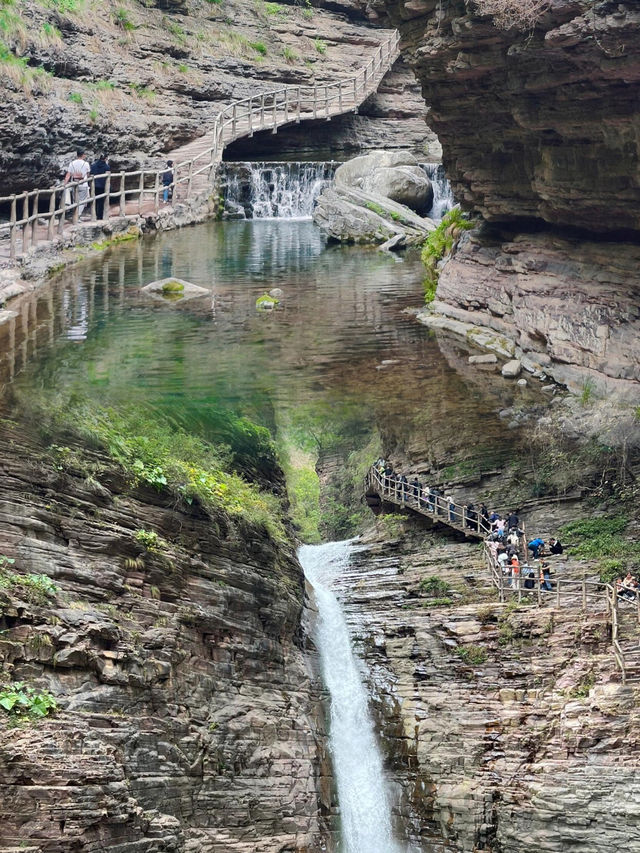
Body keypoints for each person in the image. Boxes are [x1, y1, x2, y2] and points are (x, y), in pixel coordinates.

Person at [64, 148, 91, 216]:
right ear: (83, 155)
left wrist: (65, 183)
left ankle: (75, 214)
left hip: (74, 184)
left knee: (75, 200)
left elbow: (68, 175)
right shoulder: (86, 164)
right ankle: (77, 216)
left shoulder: (71, 163)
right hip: (83, 184)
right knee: (82, 201)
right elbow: (88, 174)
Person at [90, 153, 110, 219]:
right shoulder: (106, 167)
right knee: (101, 201)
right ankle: (100, 216)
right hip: (102, 185)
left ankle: (93, 214)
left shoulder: (93, 165)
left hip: (94, 185)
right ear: (106, 158)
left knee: (94, 200)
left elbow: (91, 173)